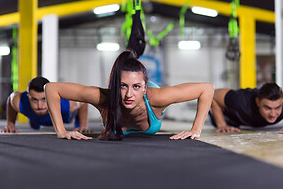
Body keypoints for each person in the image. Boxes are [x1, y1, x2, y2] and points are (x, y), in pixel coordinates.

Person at [44, 50, 214, 141]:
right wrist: (61, 131)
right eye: (123, 86)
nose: (128, 94)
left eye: (136, 87)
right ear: (116, 85)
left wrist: (195, 130)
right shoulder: (104, 98)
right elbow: (51, 88)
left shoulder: (157, 98)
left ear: (144, 88)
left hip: (148, 99)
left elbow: (206, 89)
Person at [2, 77, 89, 133]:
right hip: (35, 119)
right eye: (35, 100)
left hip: (65, 117)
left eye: (44, 99)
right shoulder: (19, 101)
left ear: (50, 96)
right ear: (28, 97)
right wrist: (10, 123)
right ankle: (35, 121)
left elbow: (84, 101)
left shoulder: (68, 104)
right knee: (35, 125)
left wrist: (82, 125)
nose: (40, 106)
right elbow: (10, 100)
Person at [210, 83, 283, 133]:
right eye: (267, 108)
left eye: (277, 108)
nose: (273, 114)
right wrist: (221, 124)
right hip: (228, 117)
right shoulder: (241, 100)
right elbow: (213, 96)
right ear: (258, 102)